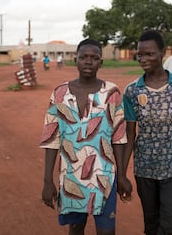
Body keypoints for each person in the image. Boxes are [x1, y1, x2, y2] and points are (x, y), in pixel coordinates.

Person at [40, 39, 128, 235]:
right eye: (84, 57)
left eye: (95, 58)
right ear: (75, 60)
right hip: (71, 178)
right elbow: (51, 139)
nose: (89, 62)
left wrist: (121, 175)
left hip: (105, 178)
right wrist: (48, 181)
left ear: (100, 63)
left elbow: (119, 138)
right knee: (76, 229)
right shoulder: (60, 94)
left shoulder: (112, 93)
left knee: (107, 231)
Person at [121, 30, 172, 235]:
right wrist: (122, 174)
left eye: (149, 54)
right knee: (151, 225)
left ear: (162, 53)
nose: (143, 59)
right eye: (140, 54)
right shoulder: (132, 91)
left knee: (171, 226)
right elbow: (130, 134)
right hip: (144, 169)